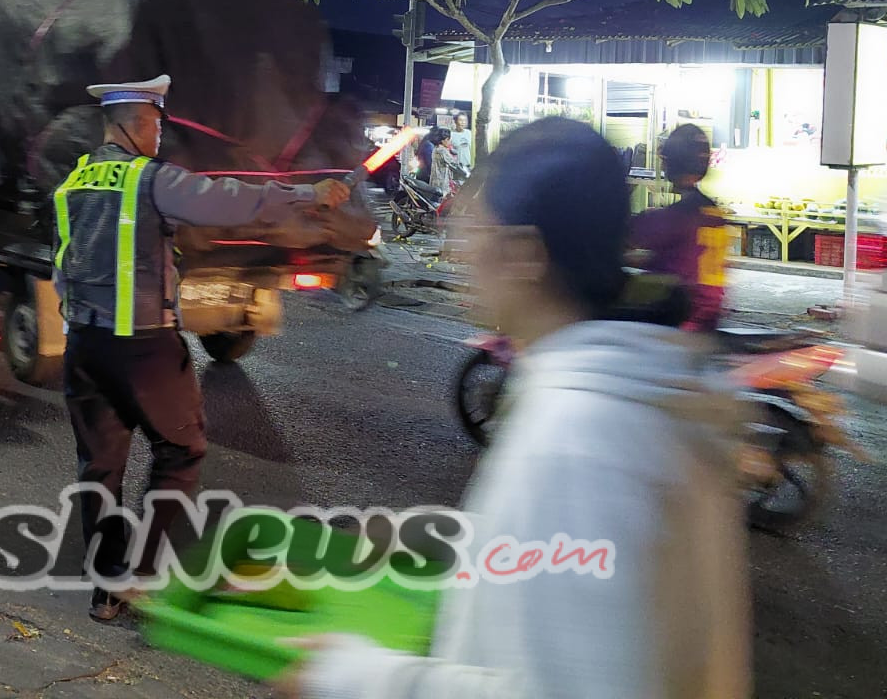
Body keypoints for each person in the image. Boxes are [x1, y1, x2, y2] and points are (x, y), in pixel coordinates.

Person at [279, 117, 751, 699]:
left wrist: (351, 678)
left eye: (475, 228)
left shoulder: (579, 438)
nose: (459, 253)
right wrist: (419, 536)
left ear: (524, 254)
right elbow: (565, 559)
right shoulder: (632, 393)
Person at [52, 74, 351, 624]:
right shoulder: (150, 179)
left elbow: (62, 264)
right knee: (181, 450)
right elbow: (226, 201)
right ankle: (139, 573)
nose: (159, 135)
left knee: (99, 466)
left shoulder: (75, 180)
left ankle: (106, 588)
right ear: (135, 123)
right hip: (143, 348)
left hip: (85, 345)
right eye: (156, 124)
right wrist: (306, 194)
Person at [630, 123, 732, 334]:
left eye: (665, 162)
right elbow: (683, 257)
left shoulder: (675, 217)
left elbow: (632, 235)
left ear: (673, 163)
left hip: (682, 324)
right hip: (707, 319)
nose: (663, 167)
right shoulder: (712, 211)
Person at [429, 127, 467, 195]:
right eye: (448, 140)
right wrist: (466, 174)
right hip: (442, 183)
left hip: (435, 181)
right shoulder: (442, 151)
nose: (450, 142)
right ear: (443, 140)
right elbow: (454, 164)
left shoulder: (436, 148)